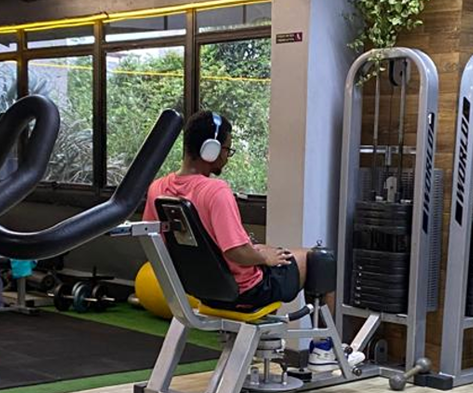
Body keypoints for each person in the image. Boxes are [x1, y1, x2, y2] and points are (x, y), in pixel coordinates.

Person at [143, 110, 357, 370]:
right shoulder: (215, 191)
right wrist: (264, 256)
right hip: (244, 291)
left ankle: (264, 345)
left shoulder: (158, 189)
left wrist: (259, 252)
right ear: (210, 150)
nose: (226, 157)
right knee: (320, 258)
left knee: (273, 251)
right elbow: (235, 252)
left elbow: (157, 241)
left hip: (200, 291)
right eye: (226, 149)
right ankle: (323, 350)